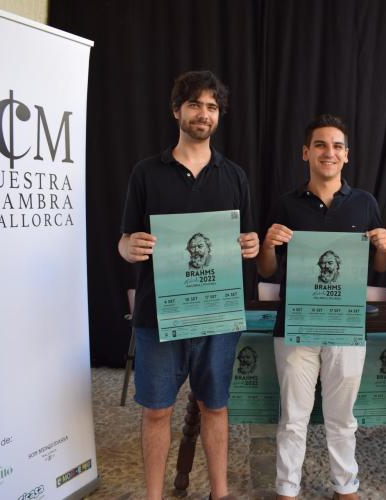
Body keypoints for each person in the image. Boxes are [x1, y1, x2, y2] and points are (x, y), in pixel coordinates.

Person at [118, 70, 259, 500]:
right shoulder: (146, 173)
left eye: (212, 107)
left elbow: (246, 240)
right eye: (195, 104)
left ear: (219, 115)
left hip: (218, 316)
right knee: (157, 411)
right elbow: (124, 240)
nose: (204, 113)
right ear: (176, 110)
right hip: (159, 316)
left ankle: (220, 493)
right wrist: (129, 246)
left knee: (215, 406)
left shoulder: (234, 176)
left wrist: (251, 244)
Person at [256, 114, 386, 500]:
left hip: (346, 327)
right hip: (295, 326)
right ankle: (287, 488)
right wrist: (268, 244)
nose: (328, 152)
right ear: (306, 153)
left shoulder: (365, 204)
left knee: (342, 417)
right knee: (293, 416)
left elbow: (380, 268)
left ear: (346, 155)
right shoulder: (286, 204)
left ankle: (345, 486)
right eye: (320, 145)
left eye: (336, 146)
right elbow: (267, 270)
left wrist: (384, 247)